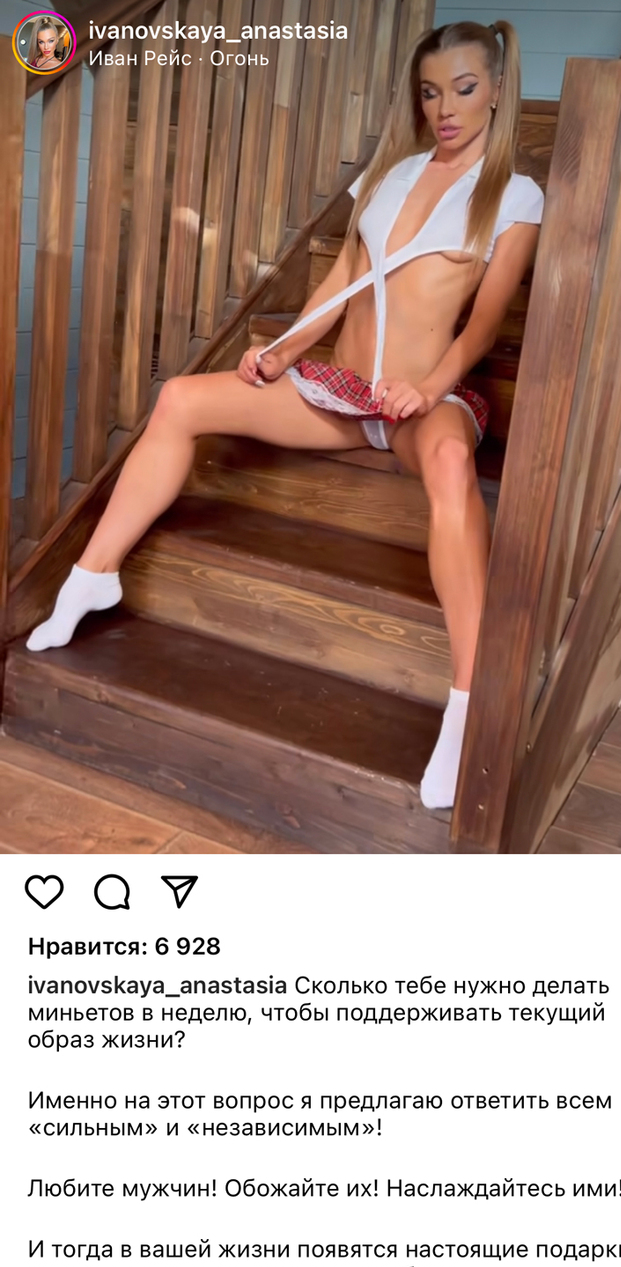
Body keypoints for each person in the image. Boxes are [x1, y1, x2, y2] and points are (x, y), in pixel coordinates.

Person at [27, 20, 545, 811]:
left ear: (498, 91)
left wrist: (426, 388)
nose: (445, 108)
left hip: (423, 401)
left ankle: (469, 704)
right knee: (180, 399)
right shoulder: (392, 174)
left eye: (464, 89)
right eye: (430, 92)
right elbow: (339, 282)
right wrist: (282, 351)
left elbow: (483, 326)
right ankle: (90, 578)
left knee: (449, 462)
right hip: (343, 390)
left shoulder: (514, 195)